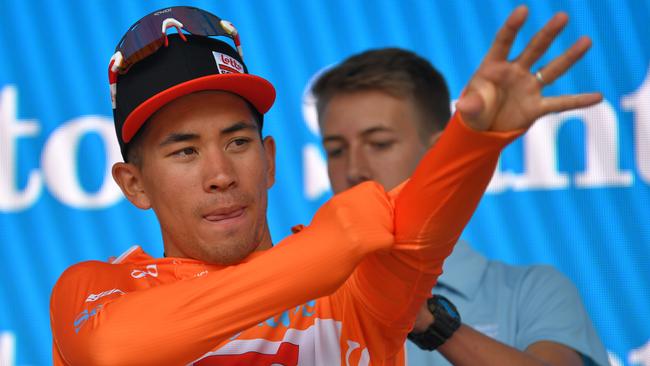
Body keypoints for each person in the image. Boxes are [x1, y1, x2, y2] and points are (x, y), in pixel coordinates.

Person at [49, 5, 601, 365]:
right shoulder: (97, 288)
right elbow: (114, 350)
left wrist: (476, 138)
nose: (220, 175)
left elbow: (423, 226)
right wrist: (323, 253)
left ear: (269, 161)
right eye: (185, 151)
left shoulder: (356, 285)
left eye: (238, 143)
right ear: (134, 184)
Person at [312, 18, 609, 366]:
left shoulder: (532, 290)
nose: (352, 169)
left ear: (442, 153)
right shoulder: (304, 297)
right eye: (335, 150)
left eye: (379, 143)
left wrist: (429, 320)